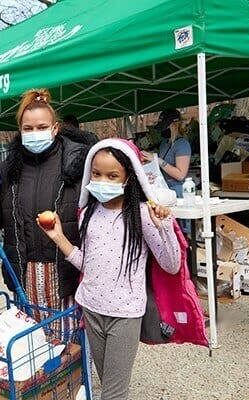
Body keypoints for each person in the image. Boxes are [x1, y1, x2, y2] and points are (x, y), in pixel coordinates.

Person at [39, 138, 181, 400]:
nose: (102, 180)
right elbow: (88, 265)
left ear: (130, 178)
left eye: (112, 175)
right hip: (91, 309)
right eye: (96, 174)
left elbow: (171, 266)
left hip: (124, 315)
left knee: (114, 394)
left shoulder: (142, 215)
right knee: (107, 385)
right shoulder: (89, 214)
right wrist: (58, 237)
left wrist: (165, 227)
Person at [0, 89, 93, 335]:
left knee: (69, 338)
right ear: (20, 132)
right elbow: (2, 210)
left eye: (42, 127)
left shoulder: (77, 163)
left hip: (64, 264)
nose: (34, 134)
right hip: (24, 267)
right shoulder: (9, 169)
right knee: (32, 340)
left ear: (55, 129)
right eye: (28, 129)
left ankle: (72, 374)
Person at [142, 108, 191, 198]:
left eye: (165, 126)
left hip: (177, 191)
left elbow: (180, 175)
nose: (162, 130)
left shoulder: (182, 144)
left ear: (174, 125)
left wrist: (158, 160)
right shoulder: (165, 143)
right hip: (163, 188)